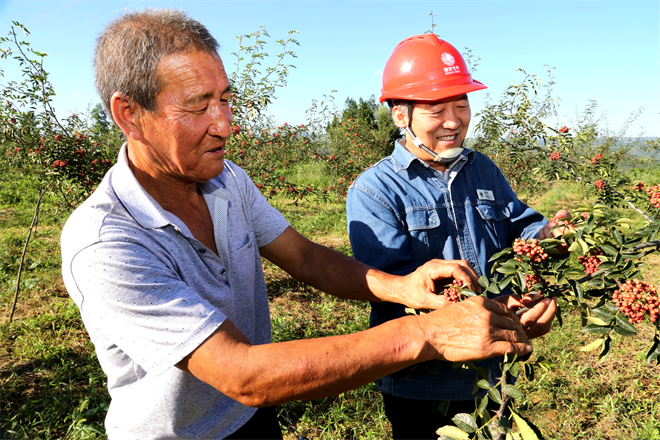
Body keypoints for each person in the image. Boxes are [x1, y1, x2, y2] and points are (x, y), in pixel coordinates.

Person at [61, 11, 537, 439]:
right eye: (197, 105)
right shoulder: (106, 243)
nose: (224, 124)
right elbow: (244, 375)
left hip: (252, 420)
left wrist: (404, 288)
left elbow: (306, 257)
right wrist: (428, 334)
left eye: (226, 99)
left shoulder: (228, 181)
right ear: (130, 115)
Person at [346, 34, 567, 439]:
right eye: (436, 108)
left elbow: (520, 226)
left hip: (492, 370)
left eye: (461, 104)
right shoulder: (374, 190)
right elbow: (393, 287)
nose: (453, 120)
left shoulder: (482, 169)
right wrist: (487, 304)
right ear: (400, 115)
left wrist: (550, 235)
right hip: (420, 379)